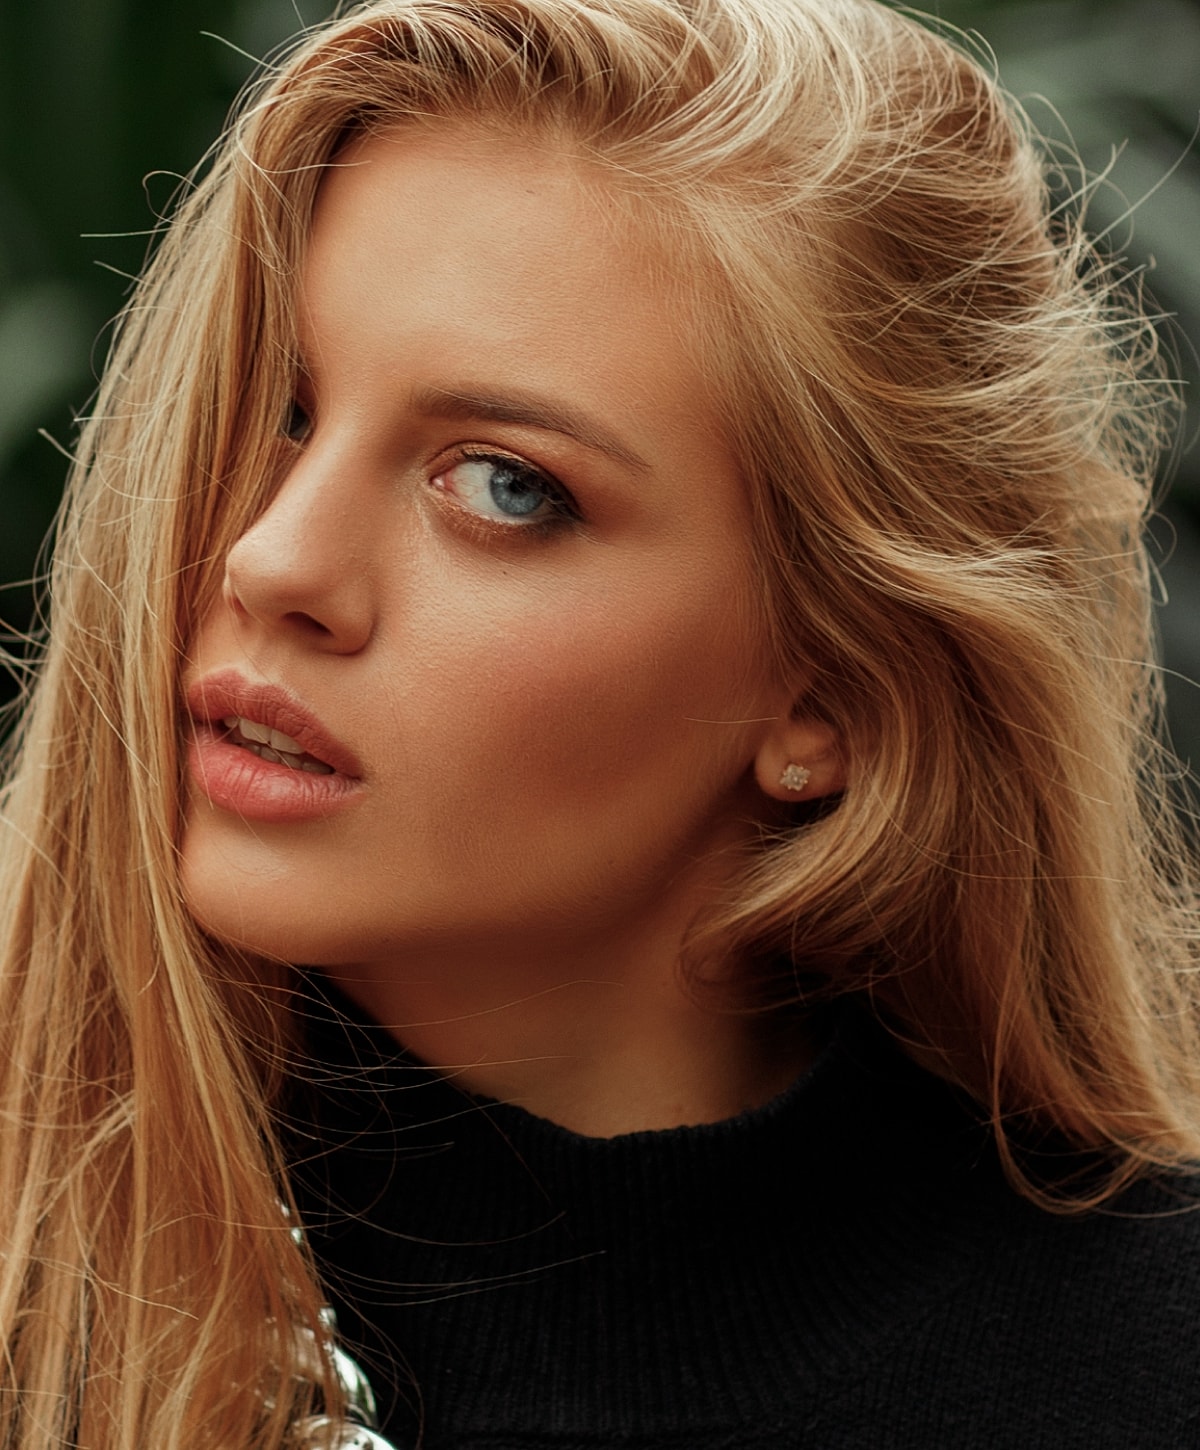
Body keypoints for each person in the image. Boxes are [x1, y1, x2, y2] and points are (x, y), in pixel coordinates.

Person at [2, 0, 1199, 1444]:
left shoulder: (1138, 1360)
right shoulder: (34, 1275)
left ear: (836, 690)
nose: (273, 560)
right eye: (281, 403)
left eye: (505, 484)